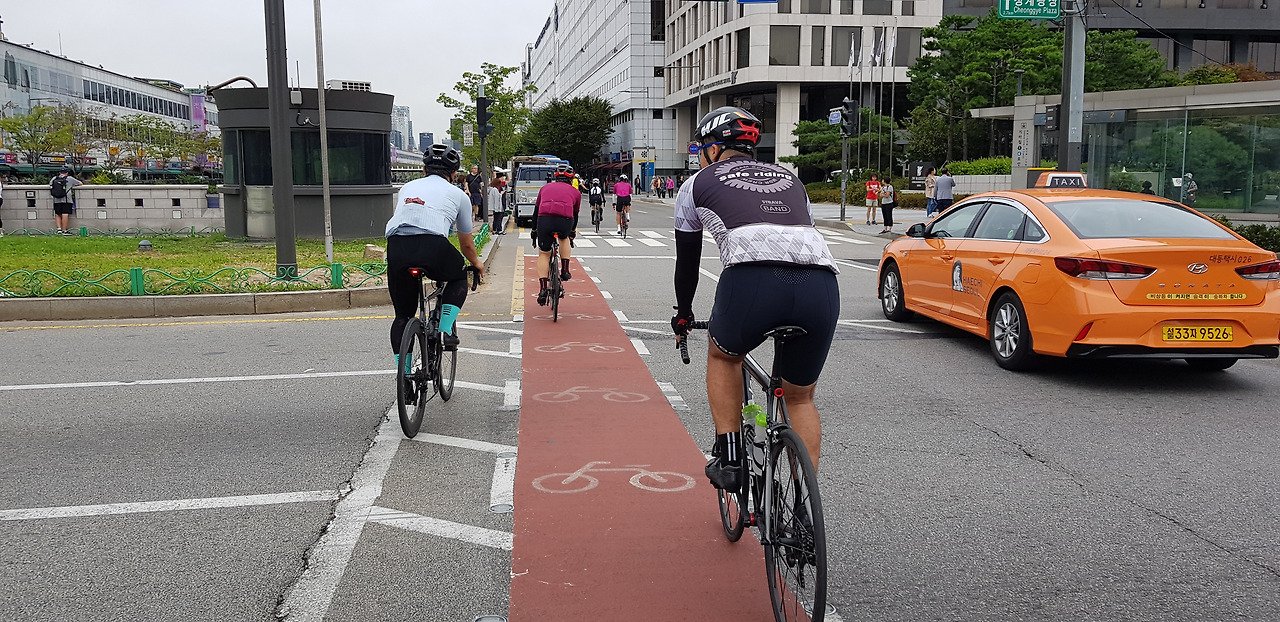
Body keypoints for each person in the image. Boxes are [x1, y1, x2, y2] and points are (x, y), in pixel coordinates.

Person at [671, 106, 840, 489]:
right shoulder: (791, 179)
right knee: (800, 398)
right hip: (821, 285)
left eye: (700, 148)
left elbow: (687, 264)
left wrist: (684, 313)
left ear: (713, 148)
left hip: (753, 279)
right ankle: (803, 505)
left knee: (723, 355)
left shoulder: (696, 184)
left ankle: (730, 458)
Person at [384, 144, 485, 372]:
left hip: (397, 246)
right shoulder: (459, 195)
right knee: (459, 276)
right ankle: (445, 330)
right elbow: (466, 244)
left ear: (424, 170)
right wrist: (476, 264)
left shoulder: (407, 187)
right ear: (454, 174)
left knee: (402, 317)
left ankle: (405, 375)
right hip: (433, 245)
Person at [532, 164, 581, 305]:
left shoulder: (544, 188)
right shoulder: (576, 192)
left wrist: (534, 231)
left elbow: (536, 212)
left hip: (544, 219)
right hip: (565, 220)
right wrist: (572, 232)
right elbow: (575, 215)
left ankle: (543, 289)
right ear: (571, 179)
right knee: (564, 238)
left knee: (544, 253)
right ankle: (565, 270)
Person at [50, 167, 81, 236]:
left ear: (60, 173)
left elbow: (50, 185)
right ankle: (64, 230)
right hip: (67, 199)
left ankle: (59, 230)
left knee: (57, 214)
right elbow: (80, 183)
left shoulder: (54, 178)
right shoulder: (70, 178)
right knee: (65, 213)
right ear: (67, 173)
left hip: (56, 199)